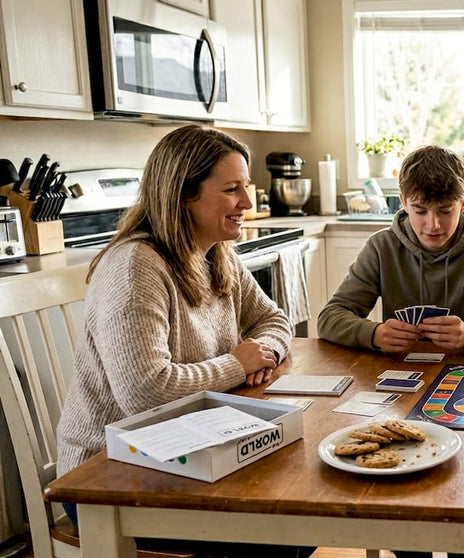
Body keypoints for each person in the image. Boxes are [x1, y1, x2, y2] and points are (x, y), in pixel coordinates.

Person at [55, 125, 309, 557]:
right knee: (281, 531)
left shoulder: (215, 253)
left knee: (298, 508)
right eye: (231, 190)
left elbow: (273, 319)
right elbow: (146, 391)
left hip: (192, 442)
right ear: (183, 196)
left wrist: (263, 352)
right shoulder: (136, 267)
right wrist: (237, 364)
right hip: (108, 474)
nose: (247, 203)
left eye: (245, 187)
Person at [318, 144, 464, 355]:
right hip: (398, 368)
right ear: (404, 202)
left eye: (445, 211)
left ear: (463, 203)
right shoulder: (381, 247)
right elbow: (329, 318)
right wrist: (374, 334)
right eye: (420, 211)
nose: (433, 225)